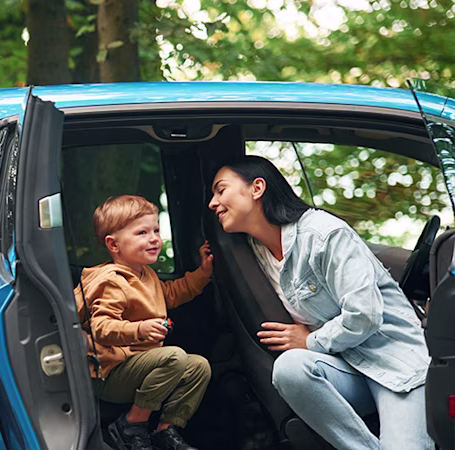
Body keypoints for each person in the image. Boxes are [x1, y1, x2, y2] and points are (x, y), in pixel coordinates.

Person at [207, 155, 434, 450]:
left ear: (257, 188)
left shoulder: (323, 233)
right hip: (346, 366)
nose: (213, 202)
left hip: (394, 364)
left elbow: (364, 314)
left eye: (220, 190)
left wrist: (312, 340)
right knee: (289, 367)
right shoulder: (252, 253)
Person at [75, 195, 213, 450]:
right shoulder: (112, 282)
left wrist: (203, 274)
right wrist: (138, 329)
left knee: (199, 366)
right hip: (110, 374)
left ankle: (166, 430)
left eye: (156, 230)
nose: (154, 238)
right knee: (174, 357)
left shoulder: (144, 274)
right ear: (113, 245)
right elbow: (100, 328)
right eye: (142, 232)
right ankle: (130, 425)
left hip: (135, 367)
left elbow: (170, 293)